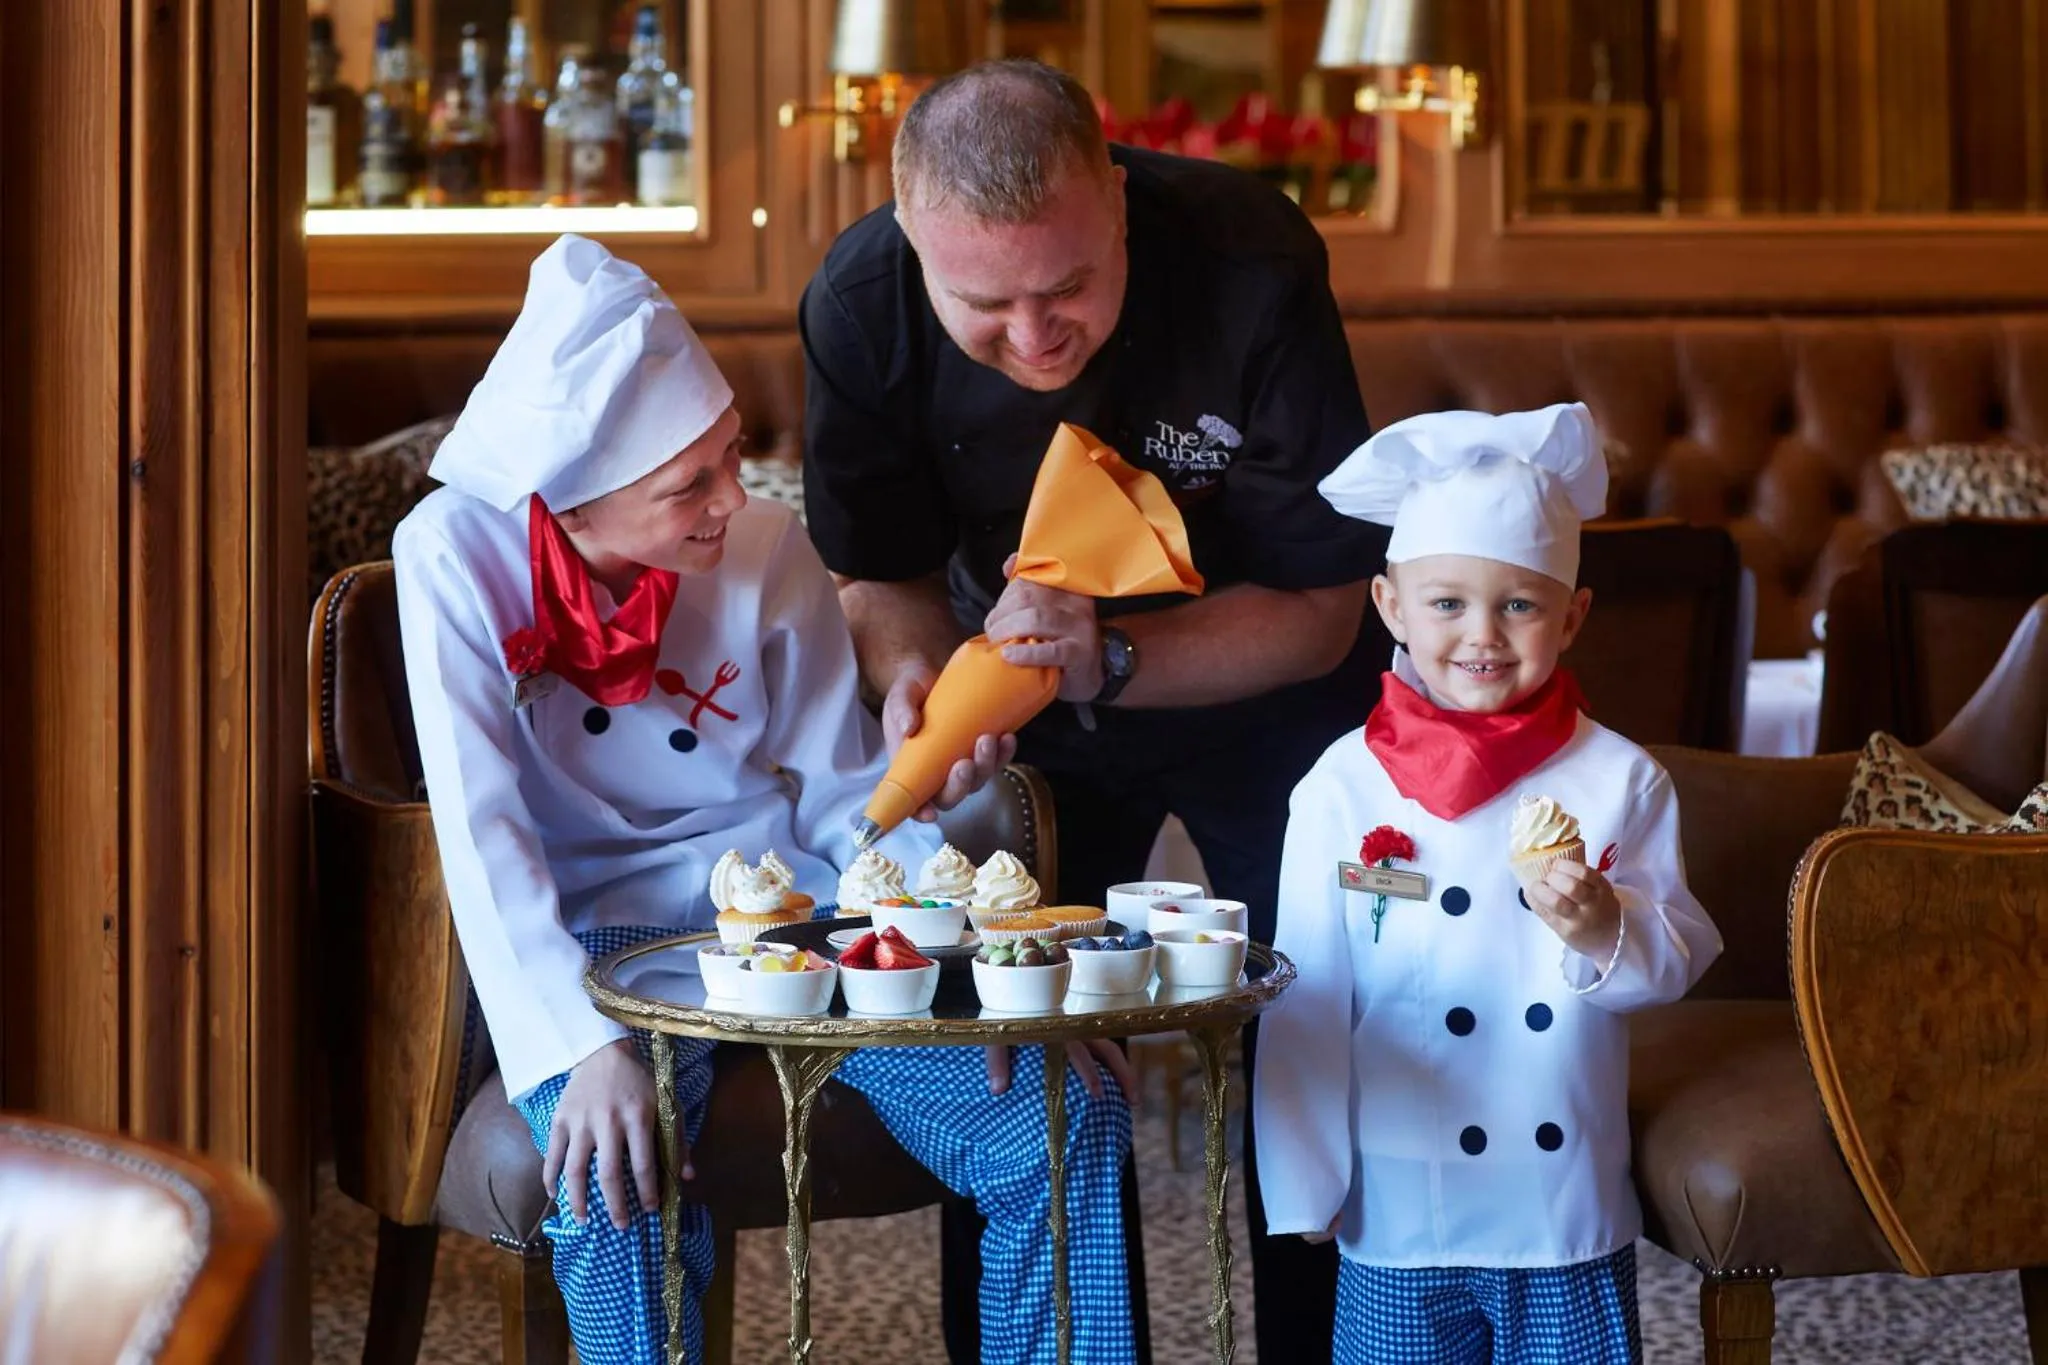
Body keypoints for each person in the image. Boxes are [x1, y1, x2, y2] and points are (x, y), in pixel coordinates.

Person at [394, 232, 1138, 1365]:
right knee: (609, 1179)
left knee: (1063, 1118)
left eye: (732, 455)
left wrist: (972, 951)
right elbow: (478, 823)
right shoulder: (449, 554)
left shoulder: (766, 544)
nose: (731, 500)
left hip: (799, 912)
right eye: (687, 485)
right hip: (588, 937)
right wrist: (574, 1048)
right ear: (571, 509)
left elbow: (842, 796)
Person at [799, 57, 1386, 1355]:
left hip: (1269, 687)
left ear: (1118, 204)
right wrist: (920, 681)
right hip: (1017, 698)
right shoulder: (857, 301)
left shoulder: (1252, 261)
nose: (1033, 337)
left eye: (1067, 287)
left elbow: (1325, 608)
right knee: (1024, 1036)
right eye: (985, 304)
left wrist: (1113, 661)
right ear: (910, 245)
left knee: (1311, 1043)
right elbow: (877, 572)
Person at [1251, 402, 1726, 1364]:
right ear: (1389, 606)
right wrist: (1304, 1180)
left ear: (1573, 615)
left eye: (1519, 603)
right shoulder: (1343, 786)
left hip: (1561, 1204)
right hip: (1397, 1198)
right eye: (1447, 603)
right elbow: (1306, 996)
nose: (1483, 635)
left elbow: (1676, 956)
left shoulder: (1622, 778)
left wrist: (1605, 927)